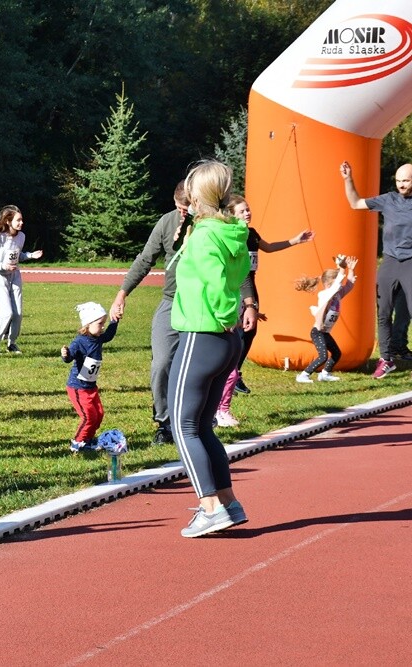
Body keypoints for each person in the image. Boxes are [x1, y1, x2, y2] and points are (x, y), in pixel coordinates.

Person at [168, 159, 251, 538]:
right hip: (225, 340)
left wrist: (222, 315)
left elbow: (217, 285)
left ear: (198, 195)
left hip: (203, 333)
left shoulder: (204, 236)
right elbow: (232, 277)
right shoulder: (232, 230)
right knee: (202, 424)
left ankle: (210, 506)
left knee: (182, 425)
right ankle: (229, 503)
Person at [340, 161, 412, 380]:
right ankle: (386, 359)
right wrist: (347, 179)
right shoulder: (388, 199)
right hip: (390, 261)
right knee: (383, 312)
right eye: (399, 181)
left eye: (406, 181)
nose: (401, 185)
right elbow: (355, 203)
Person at [215, 195, 314, 426]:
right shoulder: (232, 237)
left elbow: (268, 247)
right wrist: (247, 305)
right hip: (238, 292)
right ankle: (224, 399)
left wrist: (294, 241)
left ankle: (232, 379)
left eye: (248, 209)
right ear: (231, 215)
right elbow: (238, 274)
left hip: (251, 291)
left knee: (247, 339)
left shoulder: (251, 234)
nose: (247, 213)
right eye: (242, 211)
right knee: (236, 344)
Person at [108, 181, 191, 447]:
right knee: (161, 362)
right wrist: (122, 293)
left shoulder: (210, 224)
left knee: (198, 367)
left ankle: (196, 418)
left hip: (203, 305)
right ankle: (164, 422)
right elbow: (145, 259)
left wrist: (246, 303)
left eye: (187, 209)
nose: (183, 215)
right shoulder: (167, 222)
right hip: (171, 300)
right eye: (179, 208)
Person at [0, 205, 43, 354]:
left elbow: (18, 255)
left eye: (22, 220)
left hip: (15, 276)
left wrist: (30, 255)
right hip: (1, 277)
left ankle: (12, 343)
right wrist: (3, 266)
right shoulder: (1, 237)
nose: (21, 223)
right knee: (6, 313)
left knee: (18, 313)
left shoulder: (21, 236)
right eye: (18, 220)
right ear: (8, 222)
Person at [61, 302, 118, 451]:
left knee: (98, 414)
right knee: (88, 417)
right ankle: (77, 443)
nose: (103, 327)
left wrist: (115, 321)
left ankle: (88, 440)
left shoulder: (98, 338)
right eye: (100, 323)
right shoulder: (79, 341)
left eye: (103, 323)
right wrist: (65, 355)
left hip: (91, 386)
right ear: (88, 324)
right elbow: (70, 357)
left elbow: (109, 335)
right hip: (78, 387)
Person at [295, 255, 358, 383]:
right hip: (317, 332)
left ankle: (325, 374)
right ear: (329, 284)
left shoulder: (337, 295)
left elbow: (349, 285)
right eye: (337, 284)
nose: (340, 286)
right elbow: (337, 285)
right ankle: (303, 375)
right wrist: (341, 269)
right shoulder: (324, 295)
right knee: (323, 356)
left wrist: (351, 270)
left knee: (336, 353)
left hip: (325, 333)